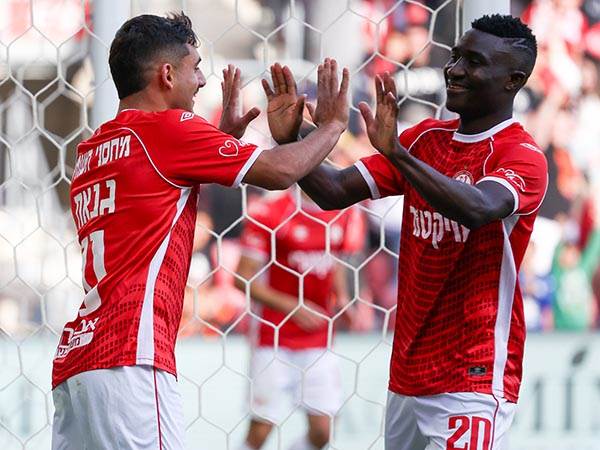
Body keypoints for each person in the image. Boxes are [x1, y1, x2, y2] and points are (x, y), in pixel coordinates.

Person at [51, 12, 349, 450]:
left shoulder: (92, 149)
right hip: (131, 356)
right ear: (167, 75)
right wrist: (333, 126)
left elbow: (152, 197)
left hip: (78, 361)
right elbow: (281, 172)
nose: (203, 81)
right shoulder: (168, 129)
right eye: (195, 68)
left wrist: (217, 142)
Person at [264, 14, 548, 450]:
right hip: (409, 373)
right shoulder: (425, 139)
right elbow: (334, 191)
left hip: (472, 376)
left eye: (473, 62)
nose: (454, 70)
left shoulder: (521, 155)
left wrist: (398, 154)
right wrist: (293, 137)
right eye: (455, 57)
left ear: (513, 80)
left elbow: (479, 208)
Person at [235, 189, 363, 450]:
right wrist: (292, 306)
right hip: (273, 336)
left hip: (319, 336)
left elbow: (335, 260)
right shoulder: (269, 211)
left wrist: (343, 298)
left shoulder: (344, 211)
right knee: (260, 430)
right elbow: (242, 278)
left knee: (323, 431)